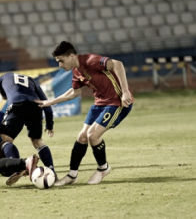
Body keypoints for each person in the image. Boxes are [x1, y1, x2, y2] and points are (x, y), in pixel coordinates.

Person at [35, 41, 134, 185]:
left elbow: (117, 64)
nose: (60, 65)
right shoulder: (76, 71)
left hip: (117, 102)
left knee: (92, 136)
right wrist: (50, 102)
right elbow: (74, 92)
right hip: (99, 104)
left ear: (71, 56)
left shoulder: (91, 60)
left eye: (61, 61)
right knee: (82, 137)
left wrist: (125, 92)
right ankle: (72, 175)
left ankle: (103, 168)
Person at [0, 72, 56, 178]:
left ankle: (18, 168)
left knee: (4, 140)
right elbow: (46, 102)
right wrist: (49, 124)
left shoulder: (4, 77)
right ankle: (51, 172)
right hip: (35, 106)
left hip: (16, 106)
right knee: (37, 141)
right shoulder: (31, 80)